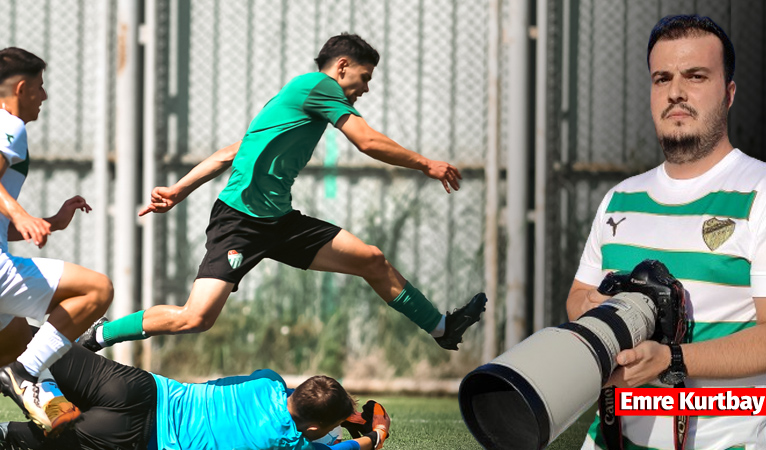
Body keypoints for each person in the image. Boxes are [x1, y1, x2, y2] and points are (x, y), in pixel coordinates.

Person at [79, 32, 486, 355]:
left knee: (372, 259)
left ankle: (442, 328)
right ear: (342, 67)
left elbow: (232, 151)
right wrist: (426, 164)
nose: (364, 89)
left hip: (280, 221)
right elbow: (366, 141)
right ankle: (102, 335)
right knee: (196, 317)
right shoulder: (317, 86)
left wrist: (178, 190)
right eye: (364, 78)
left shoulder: (295, 102)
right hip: (240, 220)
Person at [565, 15, 766, 450]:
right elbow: (578, 297)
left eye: (695, 76)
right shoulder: (620, 198)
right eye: (662, 78)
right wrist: (597, 307)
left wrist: (671, 359)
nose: (675, 92)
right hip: (607, 437)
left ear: (728, 94)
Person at [0, 330, 391, 450]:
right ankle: (35, 403)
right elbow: (347, 449)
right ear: (311, 430)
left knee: (28, 344)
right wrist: (376, 433)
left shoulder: (269, 380)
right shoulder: (293, 444)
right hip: (137, 439)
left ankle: (42, 384)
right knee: (25, 442)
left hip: (142, 389)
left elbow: (305, 401)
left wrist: (342, 412)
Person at [0, 47, 114, 436]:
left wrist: (49, 221)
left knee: (15, 338)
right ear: (21, 88)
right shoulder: (8, 125)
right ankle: (24, 376)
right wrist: (21, 214)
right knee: (97, 290)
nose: (44, 97)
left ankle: (34, 386)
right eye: (40, 87)